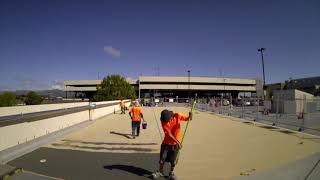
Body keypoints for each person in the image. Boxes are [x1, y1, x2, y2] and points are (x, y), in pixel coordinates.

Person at [152, 109, 193, 179]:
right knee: (162, 158)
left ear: (171, 117)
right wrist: (178, 142)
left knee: (173, 160)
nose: (166, 122)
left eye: (167, 120)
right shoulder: (163, 122)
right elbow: (169, 134)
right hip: (166, 143)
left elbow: (188, 119)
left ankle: (171, 173)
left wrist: (190, 116)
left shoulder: (177, 115)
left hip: (175, 144)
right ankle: (160, 171)